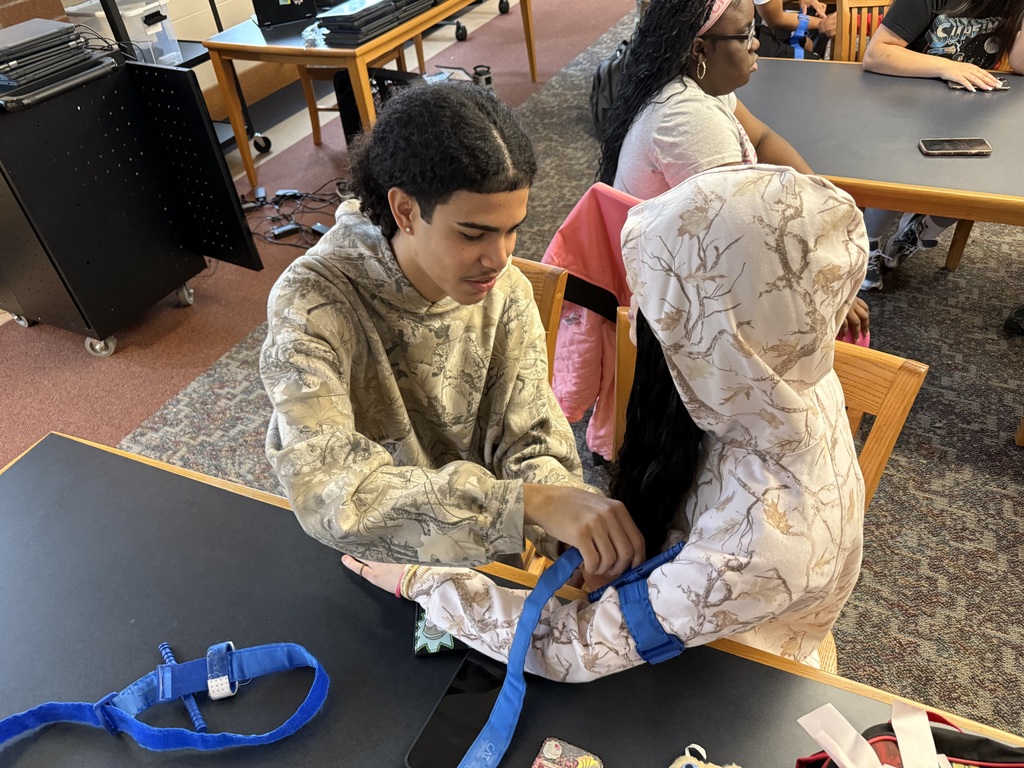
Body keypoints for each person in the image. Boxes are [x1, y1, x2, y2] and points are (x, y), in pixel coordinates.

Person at [346, 165, 868, 677]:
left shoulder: (764, 536)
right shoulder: (770, 374)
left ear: (710, 338)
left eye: (654, 304)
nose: (635, 312)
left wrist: (423, 580)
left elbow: (571, 647)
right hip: (686, 603)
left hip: (723, 670)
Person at [260, 81, 644, 576]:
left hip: (479, 557)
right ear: (405, 211)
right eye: (473, 234)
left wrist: (571, 530)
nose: (499, 258)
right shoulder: (311, 303)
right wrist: (524, 504)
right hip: (362, 559)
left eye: (512, 230)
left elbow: (531, 440)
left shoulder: (505, 291)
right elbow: (333, 493)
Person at [597, 0, 868, 337]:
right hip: (673, 300)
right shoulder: (690, 120)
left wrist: (821, 199)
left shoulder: (701, 84)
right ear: (700, 50)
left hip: (695, 257)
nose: (756, 43)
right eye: (745, 35)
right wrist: (821, 275)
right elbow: (742, 239)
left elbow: (763, 138)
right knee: (839, 326)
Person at [859, 0, 1024, 290]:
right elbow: (876, 54)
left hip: (965, 113)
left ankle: (918, 231)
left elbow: (1020, 63)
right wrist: (948, 67)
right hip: (902, 105)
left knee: (978, 182)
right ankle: (866, 243)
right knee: (899, 175)